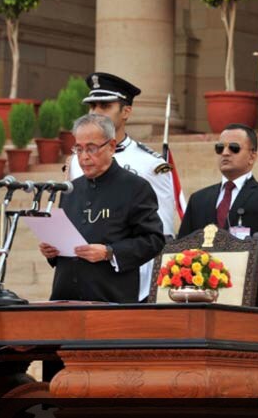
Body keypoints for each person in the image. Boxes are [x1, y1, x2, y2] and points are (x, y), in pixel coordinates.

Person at [67, 72, 177, 302]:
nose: (96, 112)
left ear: (126, 111)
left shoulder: (151, 164)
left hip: (129, 280)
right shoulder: (77, 161)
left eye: (105, 106)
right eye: (92, 106)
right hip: (81, 280)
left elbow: (162, 231)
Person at [40, 114, 165, 303]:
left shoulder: (135, 187)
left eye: (91, 148)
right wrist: (52, 252)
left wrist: (110, 252)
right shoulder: (70, 190)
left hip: (111, 298)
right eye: (78, 149)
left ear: (112, 146)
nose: (84, 157)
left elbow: (153, 240)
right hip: (64, 298)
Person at [178, 123, 258, 309]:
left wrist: (222, 267)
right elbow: (183, 246)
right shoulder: (199, 199)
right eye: (220, 148)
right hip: (200, 301)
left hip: (250, 300)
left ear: (252, 156)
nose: (225, 153)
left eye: (234, 148)